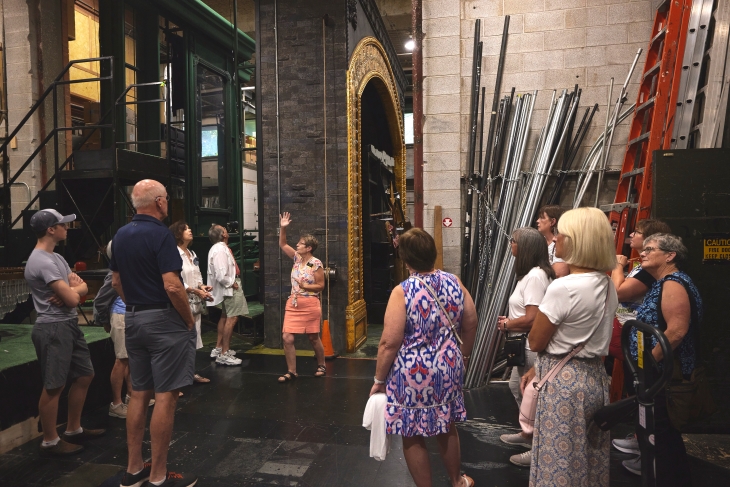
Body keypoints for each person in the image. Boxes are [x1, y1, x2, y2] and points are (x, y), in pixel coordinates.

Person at [370, 228, 477, 487]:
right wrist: (462, 357)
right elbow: (471, 323)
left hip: (412, 373)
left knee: (411, 432)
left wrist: (378, 379)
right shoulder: (455, 281)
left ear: (404, 258)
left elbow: (388, 343)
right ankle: (457, 481)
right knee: (446, 423)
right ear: (432, 252)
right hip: (449, 368)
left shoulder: (402, 291)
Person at [110, 179, 198, 487]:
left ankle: (134, 470)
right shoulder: (161, 235)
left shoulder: (120, 235)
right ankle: (159, 476)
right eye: (167, 199)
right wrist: (187, 320)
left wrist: (136, 304)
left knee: (138, 394)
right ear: (160, 202)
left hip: (133, 318)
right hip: (163, 321)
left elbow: (116, 283)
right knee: (166, 397)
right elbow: (172, 285)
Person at [522, 207, 618, 486]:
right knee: (591, 456)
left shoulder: (563, 288)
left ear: (576, 241)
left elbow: (536, 340)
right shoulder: (608, 284)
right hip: (594, 378)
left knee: (559, 460)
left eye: (561, 234)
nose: (556, 240)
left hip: (563, 383)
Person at [623, 233, 702, 485]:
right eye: (643, 249)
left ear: (670, 255)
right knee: (660, 436)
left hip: (665, 375)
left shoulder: (674, 282)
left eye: (650, 249)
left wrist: (649, 365)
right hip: (658, 371)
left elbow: (677, 331)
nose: (643, 253)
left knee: (664, 436)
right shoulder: (663, 282)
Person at [24, 209, 105, 455]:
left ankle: (73, 429)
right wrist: (73, 292)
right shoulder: (42, 261)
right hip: (52, 327)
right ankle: (50, 440)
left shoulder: (56, 258)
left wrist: (74, 291)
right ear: (51, 229)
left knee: (84, 375)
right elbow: (72, 297)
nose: (66, 228)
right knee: (54, 385)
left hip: (67, 324)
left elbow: (80, 287)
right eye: (62, 224)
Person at [609, 219, 671, 460]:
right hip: (632, 336)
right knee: (635, 386)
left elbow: (618, 291)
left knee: (644, 389)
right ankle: (640, 439)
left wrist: (617, 266)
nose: (631, 235)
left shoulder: (648, 272)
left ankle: (648, 449)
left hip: (643, 339)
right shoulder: (640, 266)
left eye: (638, 232)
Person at [496, 227, 555, 467]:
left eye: (514, 241)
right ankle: (527, 433)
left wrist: (509, 323)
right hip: (523, 343)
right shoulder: (531, 274)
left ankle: (537, 447)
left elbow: (534, 317)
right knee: (515, 386)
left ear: (526, 247)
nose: (511, 244)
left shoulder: (535, 277)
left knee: (530, 395)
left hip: (530, 345)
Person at [277, 212, 326, 382]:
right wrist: (283, 227)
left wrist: (306, 286)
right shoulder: (297, 259)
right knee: (287, 337)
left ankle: (321, 364)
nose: (297, 245)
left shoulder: (316, 263)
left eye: (301, 243)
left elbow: (321, 286)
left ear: (309, 248)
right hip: (294, 302)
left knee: (313, 337)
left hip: (310, 303)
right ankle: (292, 371)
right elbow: (283, 244)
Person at [170, 220, 213, 381]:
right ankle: (176, 378)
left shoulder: (191, 253)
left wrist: (202, 286)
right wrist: (194, 290)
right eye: (185, 229)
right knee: (181, 338)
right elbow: (177, 280)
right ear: (177, 234)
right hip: (182, 301)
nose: (189, 230)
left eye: (189, 227)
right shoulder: (174, 253)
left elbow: (196, 274)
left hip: (195, 302)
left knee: (193, 338)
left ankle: (190, 373)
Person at [93, 241, 132, 419]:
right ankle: (116, 404)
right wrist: (103, 321)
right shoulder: (116, 273)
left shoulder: (130, 268)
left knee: (130, 359)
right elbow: (100, 300)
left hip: (130, 316)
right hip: (121, 316)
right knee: (122, 359)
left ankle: (131, 397)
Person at [207, 224, 248, 366]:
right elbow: (220, 274)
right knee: (232, 317)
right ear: (223, 234)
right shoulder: (219, 250)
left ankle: (219, 348)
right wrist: (231, 283)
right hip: (230, 286)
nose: (227, 230)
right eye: (225, 229)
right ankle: (224, 353)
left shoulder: (220, 248)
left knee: (225, 316)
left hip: (228, 286)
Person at [535, 205, 569, 278]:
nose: (537, 221)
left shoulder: (560, 244)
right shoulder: (540, 241)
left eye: (542, 218)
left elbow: (558, 273)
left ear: (552, 221)